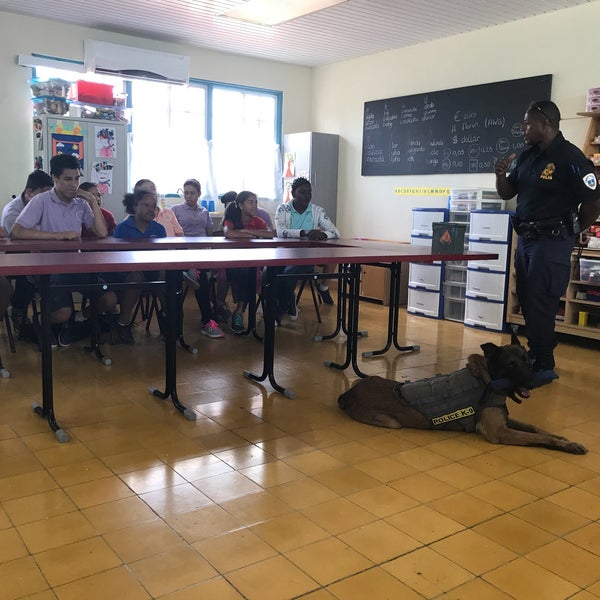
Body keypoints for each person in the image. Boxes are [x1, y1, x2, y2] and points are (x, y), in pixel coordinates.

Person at [495, 100, 600, 372]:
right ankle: (536, 354)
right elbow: (508, 192)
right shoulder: (527, 156)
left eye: (527, 124)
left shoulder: (572, 158)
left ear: (546, 124)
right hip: (526, 239)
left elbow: (592, 204)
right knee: (526, 297)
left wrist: (573, 232)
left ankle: (543, 362)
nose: (523, 129)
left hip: (552, 241)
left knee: (541, 300)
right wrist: (500, 175)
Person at [11, 154, 115, 346]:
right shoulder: (41, 201)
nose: (73, 185)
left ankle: (78, 319)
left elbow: (101, 233)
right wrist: (55, 235)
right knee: (62, 313)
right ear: (55, 178)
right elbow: (16, 231)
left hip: (76, 265)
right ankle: (40, 321)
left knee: (109, 300)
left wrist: (92, 200)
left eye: (77, 179)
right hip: (47, 267)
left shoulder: (81, 203)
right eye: (68, 179)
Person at [273, 176, 340, 318]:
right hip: (283, 254)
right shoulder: (283, 209)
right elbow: (280, 232)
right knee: (268, 273)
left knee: (288, 274)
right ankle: (287, 301)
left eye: (309, 192)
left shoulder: (317, 211)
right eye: (302, 192)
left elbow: (335, 232)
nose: (307, 196)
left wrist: (323, 234)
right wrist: (304, 232)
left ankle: (279, 311)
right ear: (293, 193)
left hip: (306, 257)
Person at [1, 169, 53, 336]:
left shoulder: (45, 206)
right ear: (29, 192)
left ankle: (57, 317)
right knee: (29, 272)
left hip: (41, 253)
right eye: (43, 196)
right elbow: (22, 240)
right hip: (18, 255)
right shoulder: (12, 213)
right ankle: (18, 312)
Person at [171, 179, 224, 338]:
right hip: (183, 253)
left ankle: (220, 307)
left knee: (221, 270)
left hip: (202, 253)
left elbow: (209, 235)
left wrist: (210, 251)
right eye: (186, 193)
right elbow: (172, 235)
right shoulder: (175, 210)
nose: (188, 196)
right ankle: (208, 320)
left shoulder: (204, 212)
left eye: (192, 193)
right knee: (201, 278)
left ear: (199, 194)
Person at [113, 189, 167, 343]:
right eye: (146, 205)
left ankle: (167, 318)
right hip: (126, 272)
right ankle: (123, 323)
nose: (151, 209)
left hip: (152, 270)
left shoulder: (159, 229)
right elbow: (117, 257)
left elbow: (163, 255)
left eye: (153, 206)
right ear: (135, 207)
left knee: (166, 275)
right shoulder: (122, 228)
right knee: (136, 276)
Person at [223, 190, 274, 332]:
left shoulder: (257, 221)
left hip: (252, 263)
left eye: (256, 202)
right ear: (240, 205)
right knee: (246, 272)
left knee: (250, 271)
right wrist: (250, 234)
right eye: (250, 202)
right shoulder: (232, 219)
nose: (254, 206)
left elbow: (271, 234)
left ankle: (239, 311)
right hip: (232, 262)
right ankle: (239, 310)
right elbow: (228, 232)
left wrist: (247, 231)